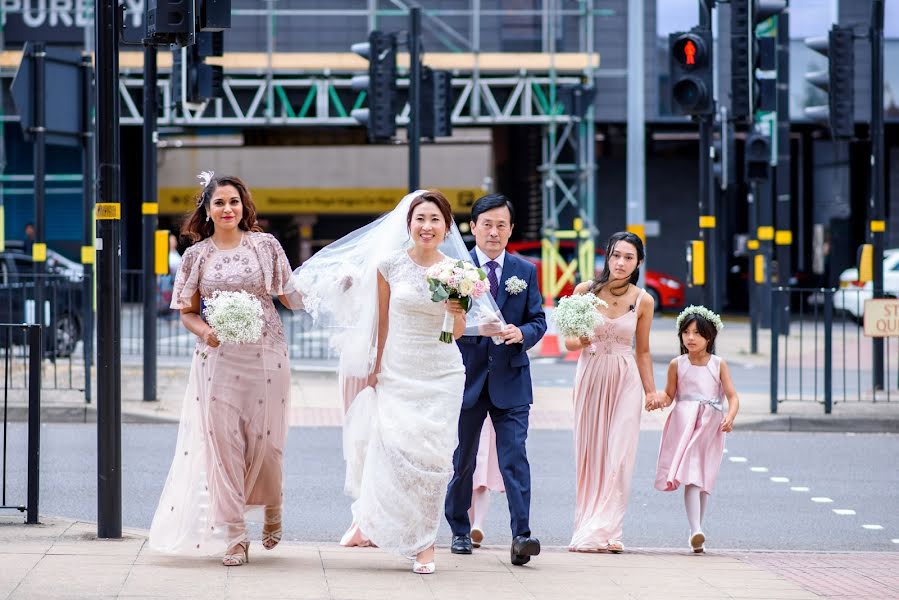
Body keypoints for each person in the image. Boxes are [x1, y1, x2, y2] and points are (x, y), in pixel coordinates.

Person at [293, 190, 502, 575]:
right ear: (408, 225)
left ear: (446, 227)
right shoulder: (388, 265)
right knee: (397, 452)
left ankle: (424, 545)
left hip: (442, 372)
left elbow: (455, 333)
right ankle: (395, 528)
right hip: (398, 368)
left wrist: (456, 309)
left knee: (436, 459)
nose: (427, 226)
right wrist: (375, 369)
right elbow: (382, 323)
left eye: (435, 220)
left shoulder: (460, 272)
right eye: (420, 219)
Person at [149, 173, 300, 567]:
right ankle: (235, 536)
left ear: (244, 205)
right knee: (224, 447)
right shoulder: (196, 256)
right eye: (219, 203)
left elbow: (290, 294)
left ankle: (272, 504)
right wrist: (207, 331)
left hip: (267, 354)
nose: (227, 209)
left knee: (267, 443)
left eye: (234, 201)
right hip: (216, 360)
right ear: (208, 209)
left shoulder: (265, 246)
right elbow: (186, 312)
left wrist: (334, 288)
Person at [445, 193, 546, 566]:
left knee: (514, 459)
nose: (493, 231)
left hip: (512, 379)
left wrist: (522, 333)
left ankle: (522, 534)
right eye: (486, 224)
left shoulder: (526, 270)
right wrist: (475, 327)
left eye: (501, 225)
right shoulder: (454, 269)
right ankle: (459, 530)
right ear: (473, 228)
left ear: (511, 230)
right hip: (466, 379)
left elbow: (538, 319)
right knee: (463, 460)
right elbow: (445, 326)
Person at [565, 231, 658, 554]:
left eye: (628, 257)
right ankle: (587, 525)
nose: (621, 263)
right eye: (616, 255)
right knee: (590, 454)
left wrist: (651, 392)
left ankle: (611, 530)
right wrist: (584, 341)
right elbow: (570, 342)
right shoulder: (584, 291)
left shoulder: (643, 300)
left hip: (625, 379)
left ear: (638, 263)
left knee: (620, 454)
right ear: (607, 256)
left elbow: (643, 351)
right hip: (591, 375)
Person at [649, 305, 740, 553]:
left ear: (709, 336)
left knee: (703, 476)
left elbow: (732, 397)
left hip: (710, 427)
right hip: (685, 424)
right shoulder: (677, 364)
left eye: (697, 333)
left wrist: (730, 417)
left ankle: (695, 530)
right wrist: (658, 400)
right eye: (686, 332)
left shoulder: (718, 364)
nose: (690, 338)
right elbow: (669, 395)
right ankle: (696, 529)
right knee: (691, 475)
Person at [468, 419, 505, 548]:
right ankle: (475, 526)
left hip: (489, 421)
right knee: (478, 477)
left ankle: (476, 525)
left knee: (479, 476)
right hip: (477, 416)